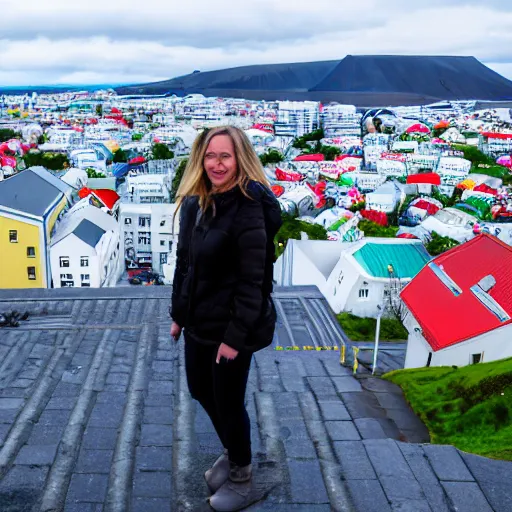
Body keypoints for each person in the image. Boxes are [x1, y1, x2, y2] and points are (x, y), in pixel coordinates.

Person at [169, 126, 282, 511]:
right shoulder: (196, 202)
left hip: (233, 328)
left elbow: (254, 282)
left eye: (226, 156)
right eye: (211, 155)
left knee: (228, 402)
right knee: (201, 390)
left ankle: (242, 474)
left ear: (240, 160)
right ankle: (234, 452)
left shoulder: (248, 207)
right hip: (199, 322)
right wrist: (178, 315)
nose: (217, 164)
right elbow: (185, 265)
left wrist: (234, 338)